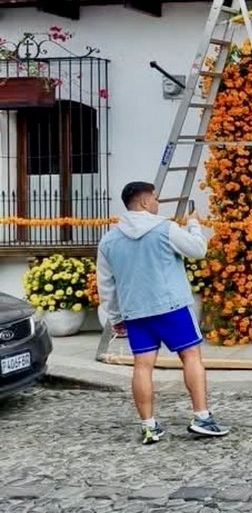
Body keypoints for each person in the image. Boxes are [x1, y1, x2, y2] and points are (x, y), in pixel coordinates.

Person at [97, 182, 230, 445]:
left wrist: (116, 317)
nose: (158, 203)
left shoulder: (109, 240)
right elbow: (198, 250)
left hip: (135, 312)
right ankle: (201, 417)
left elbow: (106, 284)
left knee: (142, 367)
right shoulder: (165, 228)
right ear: (145, 202)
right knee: (191, 357)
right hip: (172, 306)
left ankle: (148, 425)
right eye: (155, 198)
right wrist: (193, 224)